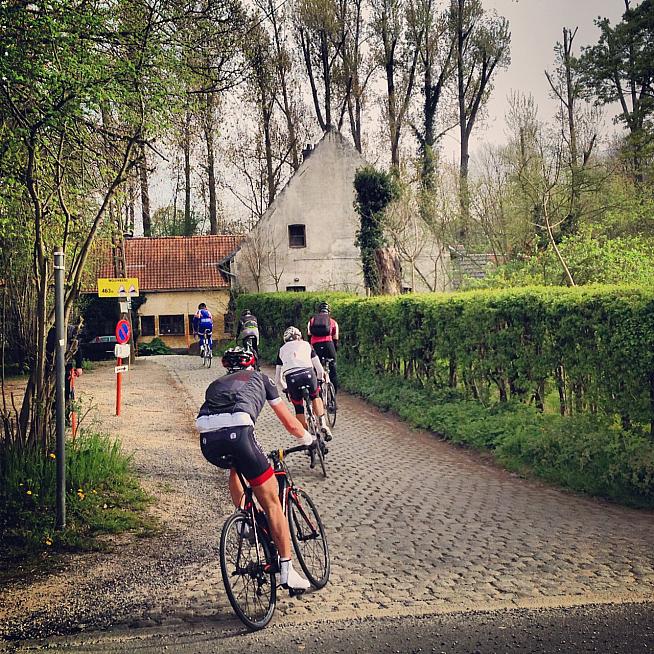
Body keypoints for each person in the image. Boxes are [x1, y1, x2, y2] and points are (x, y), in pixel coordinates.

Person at [196, 346, 314, 591]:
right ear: (253, 363)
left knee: (235, 466)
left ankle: (243, 519)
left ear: (226, 365)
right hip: (239, 432)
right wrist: (309, 439)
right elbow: (290, 423)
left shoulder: (215, 384)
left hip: (207, 440)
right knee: (271, 502)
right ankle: (287, 570)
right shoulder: (262, 379)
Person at [275, 326, 332, 441]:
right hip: (308, 374)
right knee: (316, 396)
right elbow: (320, 370)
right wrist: (319, 381)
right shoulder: (307, 345)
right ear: (299, 336)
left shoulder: (282, 350)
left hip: (292, 379)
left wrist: (286, 388)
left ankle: (306, 438)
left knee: (299, 407)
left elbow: (277, 379)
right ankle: (323, 424)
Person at [46, 323, 83, 425]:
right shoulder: (51, 329)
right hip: (52, 367)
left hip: (67, 366)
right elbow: (47, 348)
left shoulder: (71, 330)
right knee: (53, 392)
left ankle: (65, 417)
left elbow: (77, 348)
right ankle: (54, 416)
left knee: (67, 393)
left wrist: (79, 366)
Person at [307, 301, 339, 393]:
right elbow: (335, 338)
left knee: (316, 368)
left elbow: (309, 335)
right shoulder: (333, 322)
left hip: (315, 345)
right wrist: (334, 351)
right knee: (332, 368)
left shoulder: (311, 321)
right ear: (329, 311)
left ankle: (316, 390)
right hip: (329, 345)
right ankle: (334, 393)